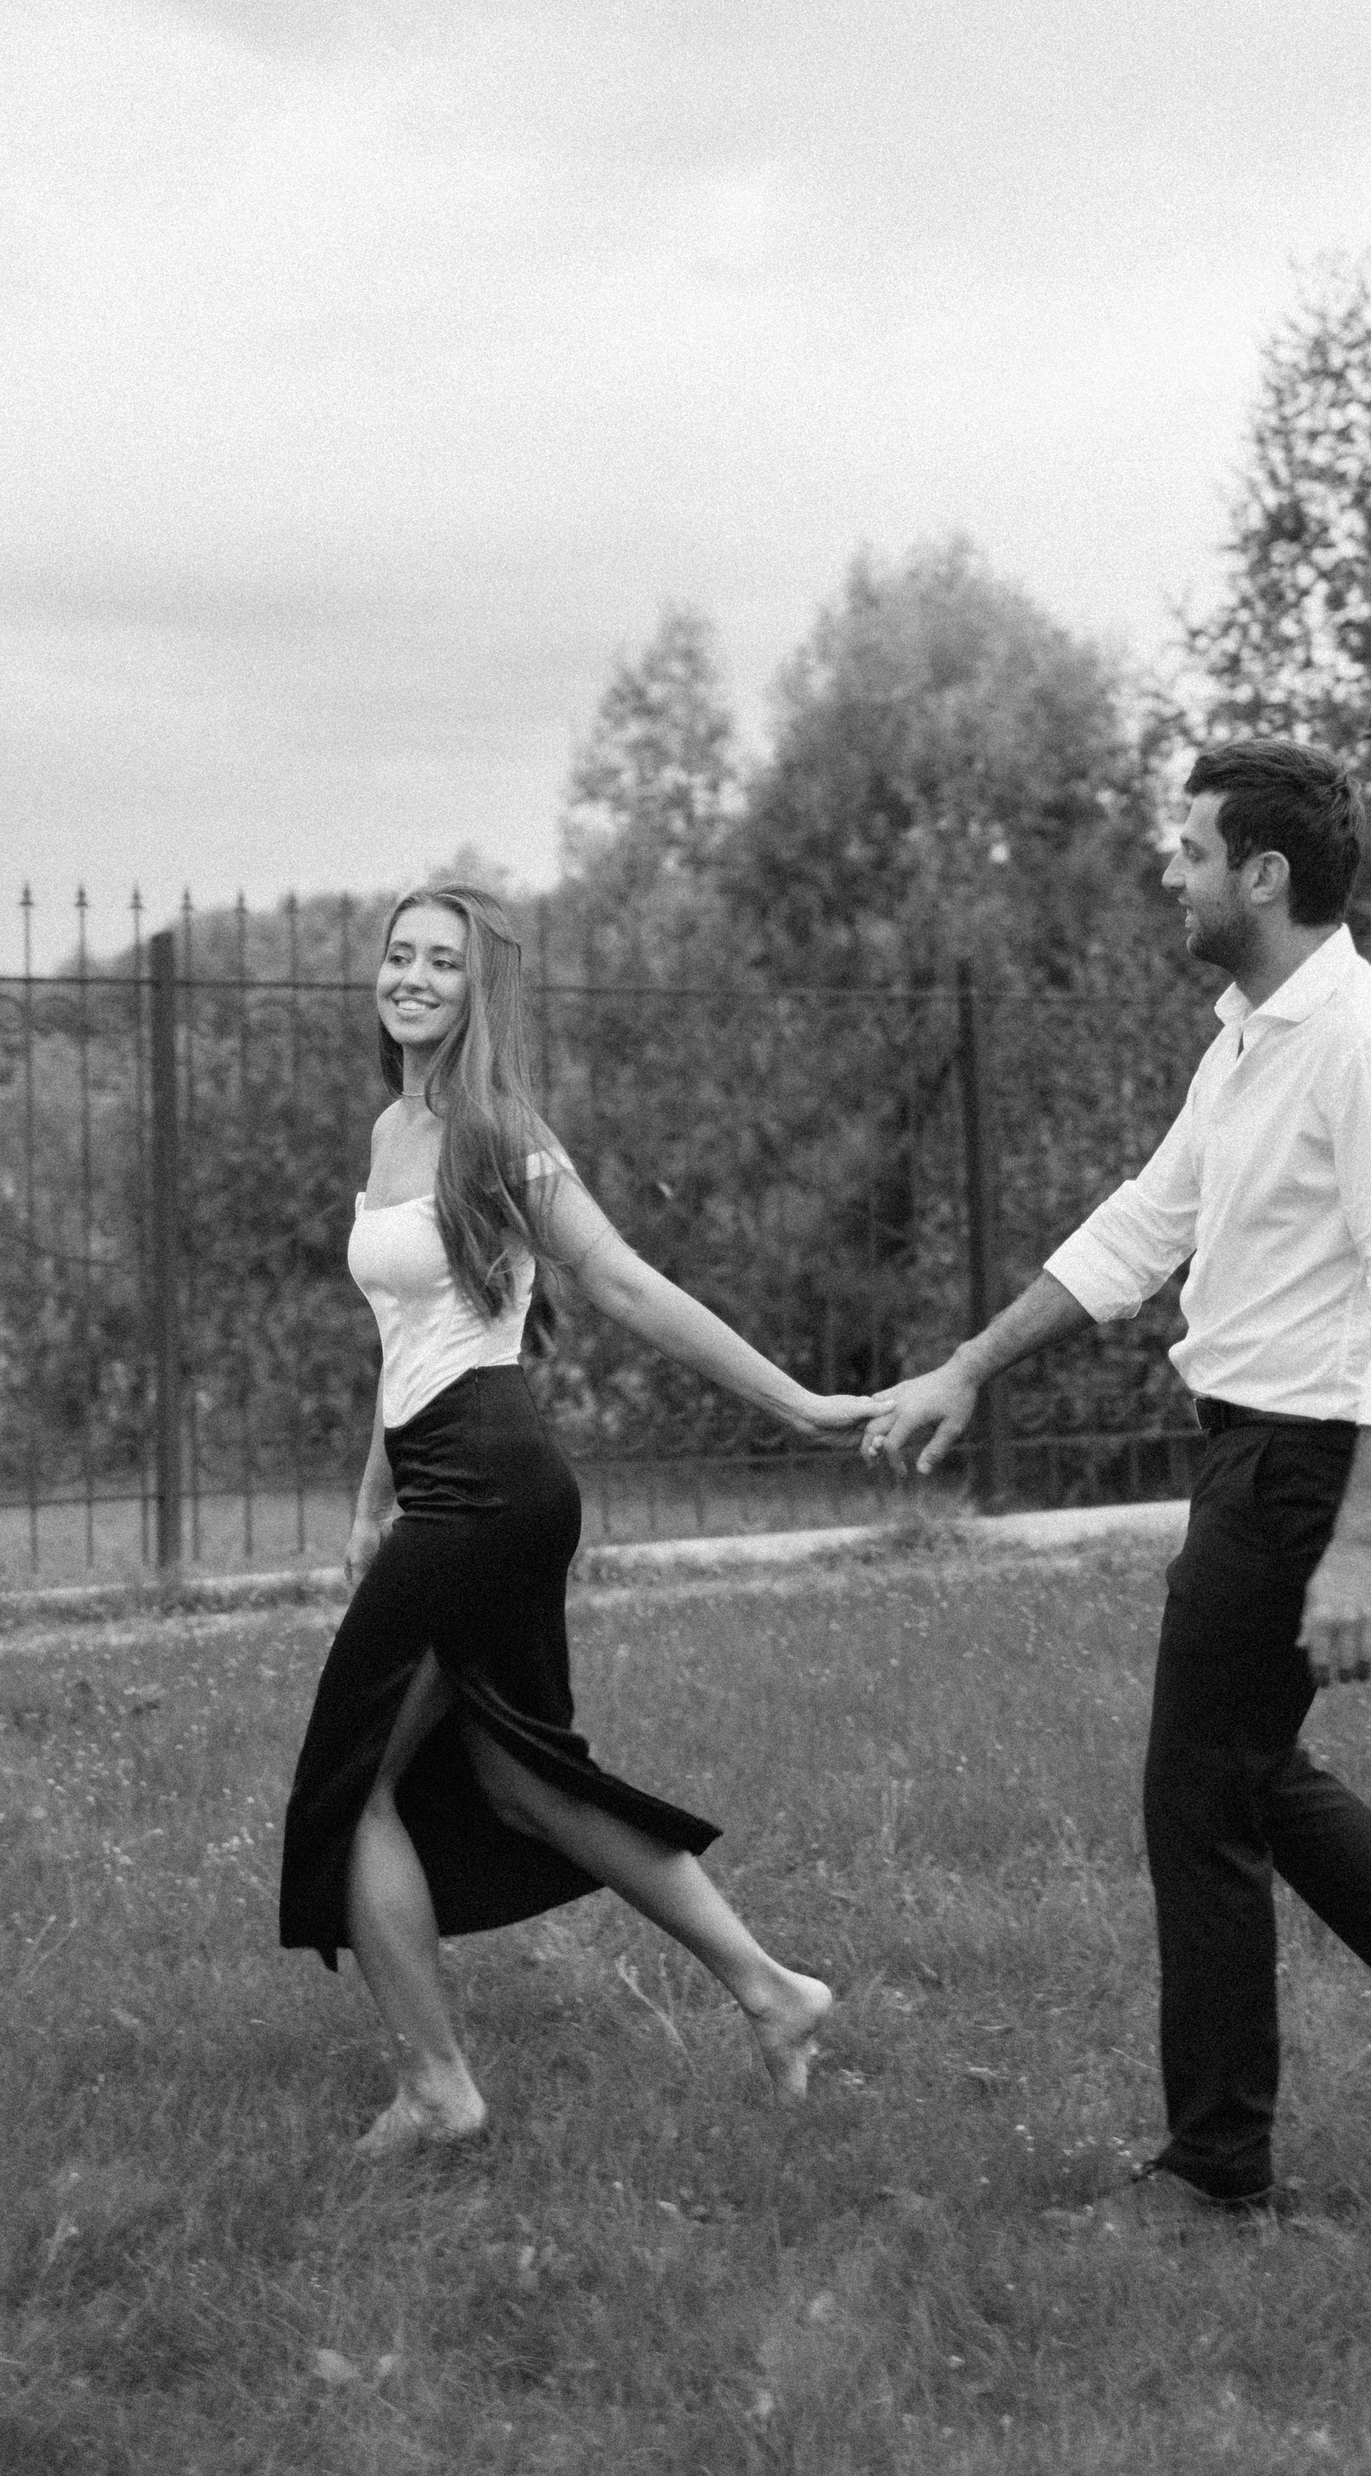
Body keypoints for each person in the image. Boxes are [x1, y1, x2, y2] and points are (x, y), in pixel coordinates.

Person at [863, 739, 1371, 2214]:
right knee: (1247, 1774)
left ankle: (1219, 2168)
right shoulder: (1251, 1040)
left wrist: (1364, 1539)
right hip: (1258, 1452)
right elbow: (1145, 1227)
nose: (1170, 871)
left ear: (1263, 875)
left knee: (1198, 1794)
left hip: (1314, 1459)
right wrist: (969, 1365)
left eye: (1191, 850)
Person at [280, 883, 865, 2155]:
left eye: (442, 962)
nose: (412, 977)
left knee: (349, 1784)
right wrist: (370, 1503)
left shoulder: (495, 1131)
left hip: (492, 1485)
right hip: (447, 1476)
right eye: (399, 954)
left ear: (480, 988)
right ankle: (776, 1994)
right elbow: (407, 1340)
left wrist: (801, 1403)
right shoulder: (392, 1129)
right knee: (519, 1776)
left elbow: (619, 1280)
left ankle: (439, 2093)